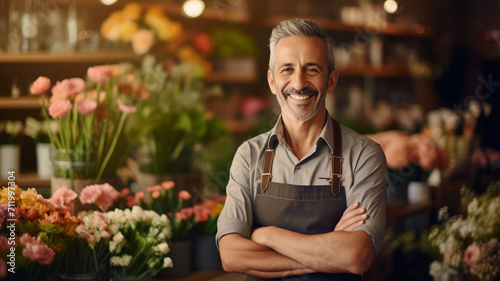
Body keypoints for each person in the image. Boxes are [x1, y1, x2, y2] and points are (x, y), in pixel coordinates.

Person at [216, 18, 389, 281]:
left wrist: (267, 234)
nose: (299, 83)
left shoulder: (364, 155)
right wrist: (329, 252)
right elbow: (231, 256)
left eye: (312, 69)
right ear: (272, 81)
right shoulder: (249, 155)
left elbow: (356, 256)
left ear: (331, 81)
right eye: (287, 69)